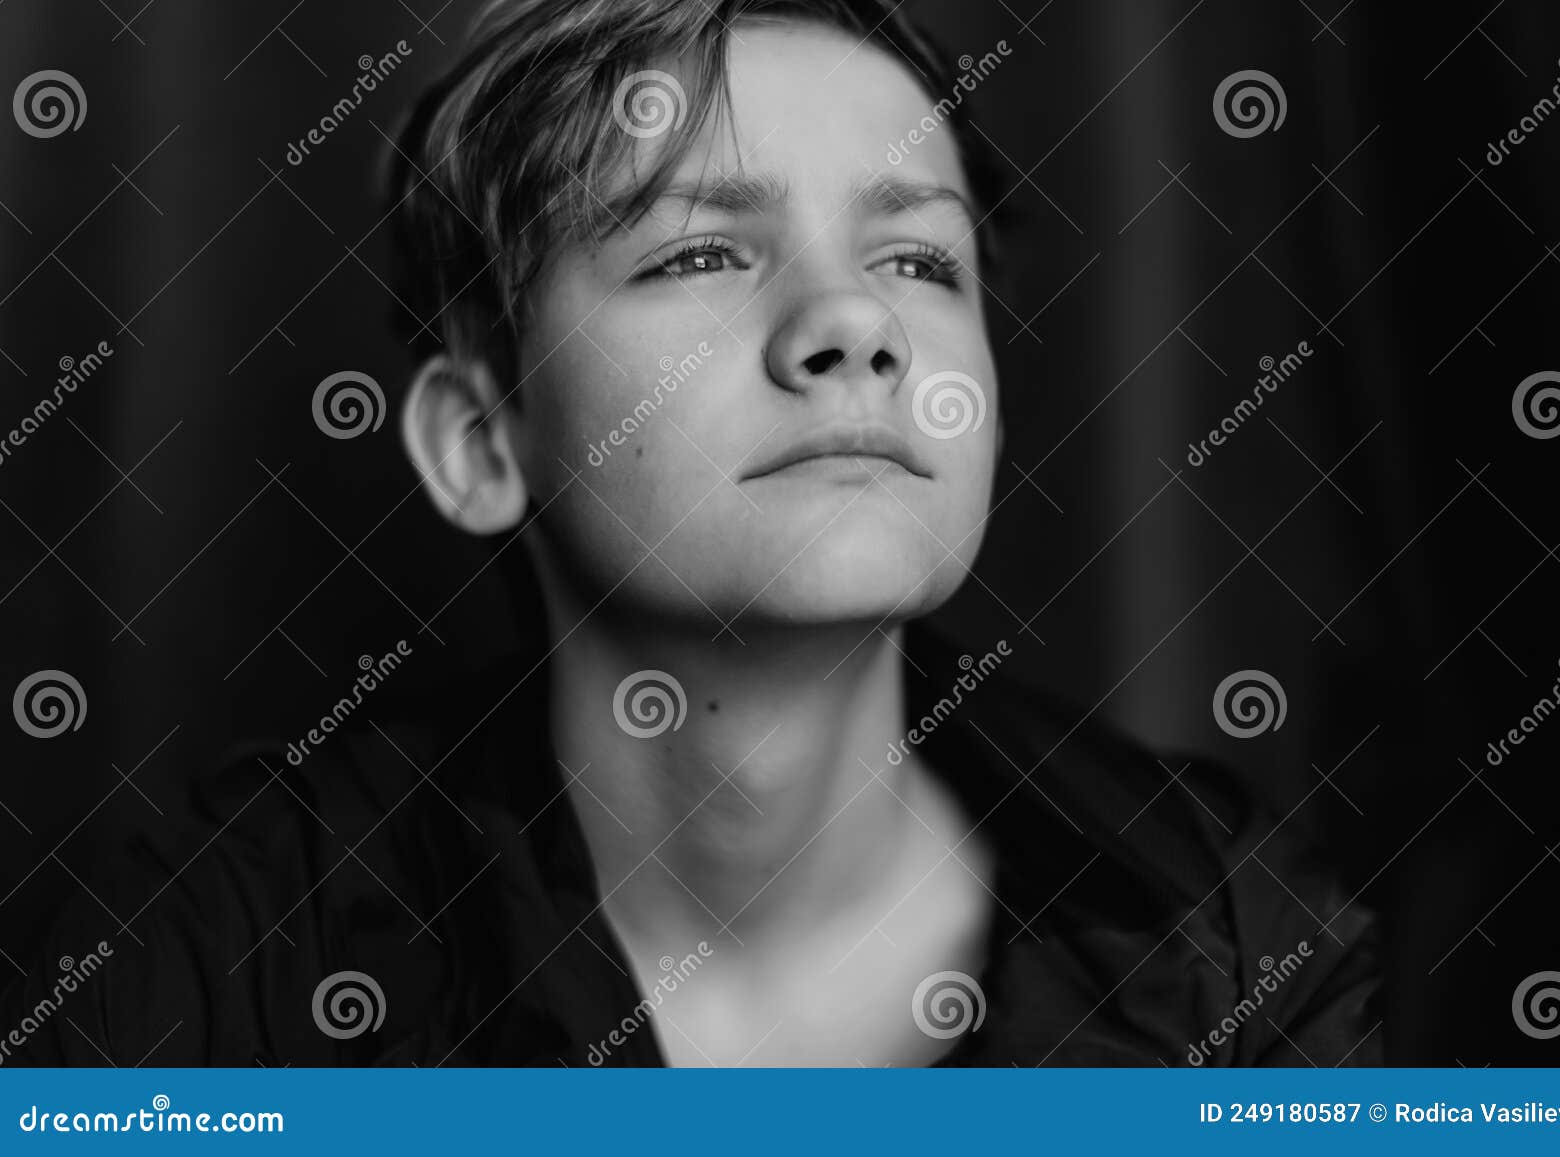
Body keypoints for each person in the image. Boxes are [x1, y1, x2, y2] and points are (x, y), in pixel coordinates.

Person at [0, 0, 1381, 1067]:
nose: (857, 324)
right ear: (482, 442)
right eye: (700, 254)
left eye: (917, 260)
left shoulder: (1236, 939)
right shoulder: (207, 966)